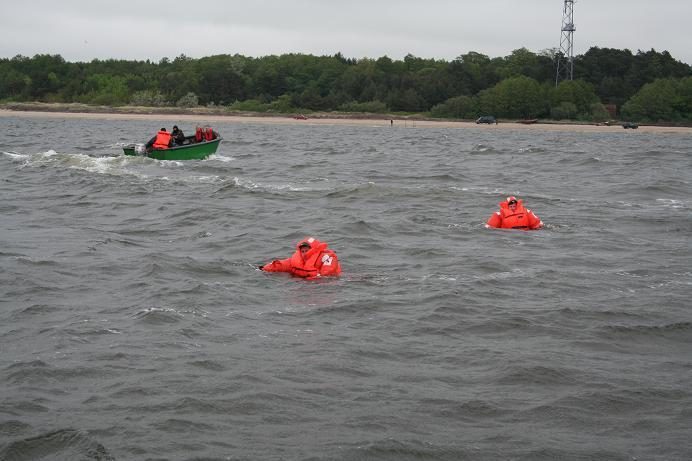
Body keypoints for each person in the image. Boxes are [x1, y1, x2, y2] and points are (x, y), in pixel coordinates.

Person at [259, 237, 341, 278]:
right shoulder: (297, 259)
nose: (304, 253)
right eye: (303, 251)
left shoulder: (328, 258)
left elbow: (327, 275)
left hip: (322, 287)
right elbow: (282, 264)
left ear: (314, 250)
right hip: (303, 284)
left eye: (307, 250)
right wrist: (264, 268)